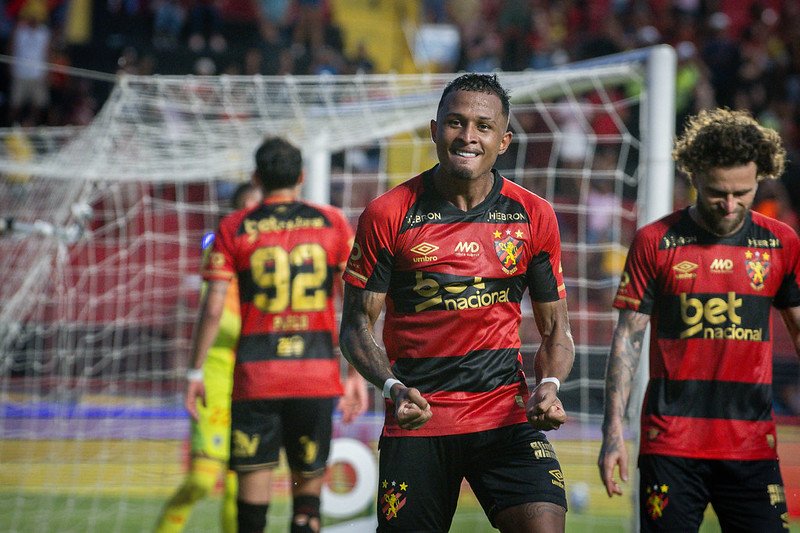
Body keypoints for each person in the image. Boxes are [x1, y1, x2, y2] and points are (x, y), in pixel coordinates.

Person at [340, 73, 575, 532]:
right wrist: (392, 388)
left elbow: (556, 331)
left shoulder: (533, 215)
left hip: (505, 414)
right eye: (455, 122)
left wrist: (549, 385)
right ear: (434, 130)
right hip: (419, 418)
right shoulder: (389, 214)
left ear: (503, 141)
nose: (468, 136)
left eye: (483, 126)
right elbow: (355, 327)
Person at [598, 108, 799, 532]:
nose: (730, 204)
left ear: (760, 178)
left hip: (751, 446)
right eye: (717, 193)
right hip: (671, 444)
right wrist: (613, 432)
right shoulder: (655, 241)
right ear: (693, 176)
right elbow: (628, 339)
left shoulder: (781, 243)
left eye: (743, 192)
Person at [185, 137, 368, 533]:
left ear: (256, 178)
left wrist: (195, 372)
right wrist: (356, 374)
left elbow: (213, 309)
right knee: (307, 509)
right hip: (315, 379)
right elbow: (357, 305)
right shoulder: (333, 223)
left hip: (257, 381)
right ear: (302, 176)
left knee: (251, 515)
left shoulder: (234, 226)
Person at [155, 182, 262, 533]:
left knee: (238, 487)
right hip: (216, 375)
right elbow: (222, 319)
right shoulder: (219, 252)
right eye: (246, 210)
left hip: (254, 378)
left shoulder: (274, 261)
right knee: (202, 480)